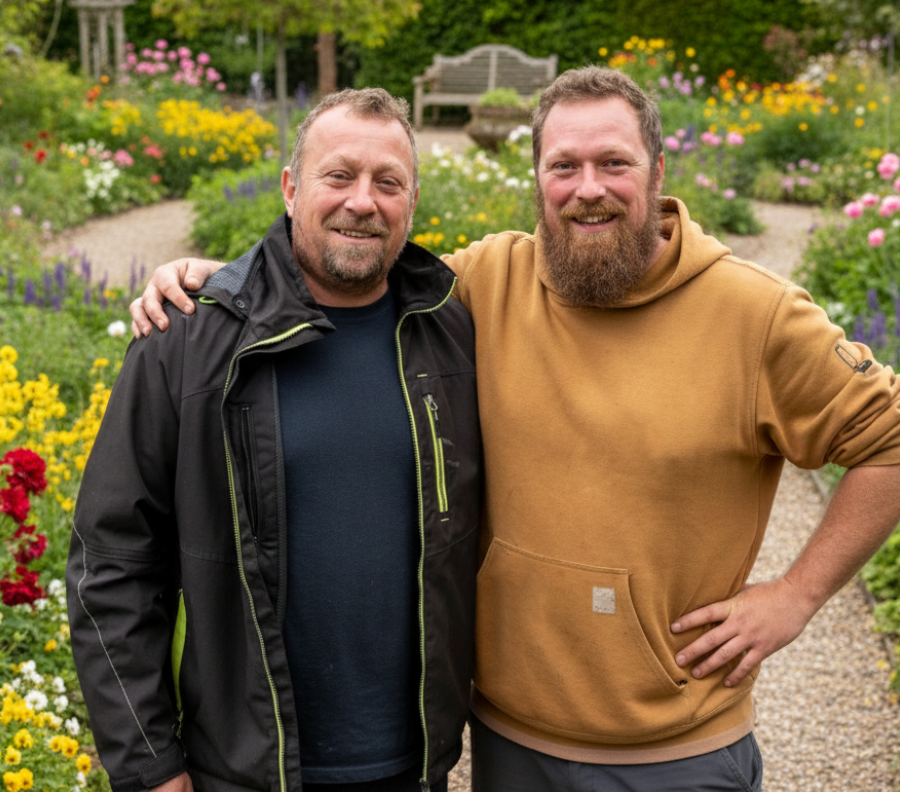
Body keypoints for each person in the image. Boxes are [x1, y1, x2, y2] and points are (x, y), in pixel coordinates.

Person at [131, 67, 900, 792]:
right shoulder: (486, 284)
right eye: (563, 166)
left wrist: (797, 595)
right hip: (508, 748)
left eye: (614, 164)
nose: (587, 189)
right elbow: (353, 262)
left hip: (677, 755)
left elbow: (888, 438)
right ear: (535, 179)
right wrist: (222, 280)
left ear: (658, 173)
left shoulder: (753, 315)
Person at [68, 88, 483, 792]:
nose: (363, 201)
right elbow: (112, 566)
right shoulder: (187, 341)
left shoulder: (451, 332)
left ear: (412, 204)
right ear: (291, 189)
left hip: (412, 771)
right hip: (242, 772)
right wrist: (150, 768)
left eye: (388, 183)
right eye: (338, 176)